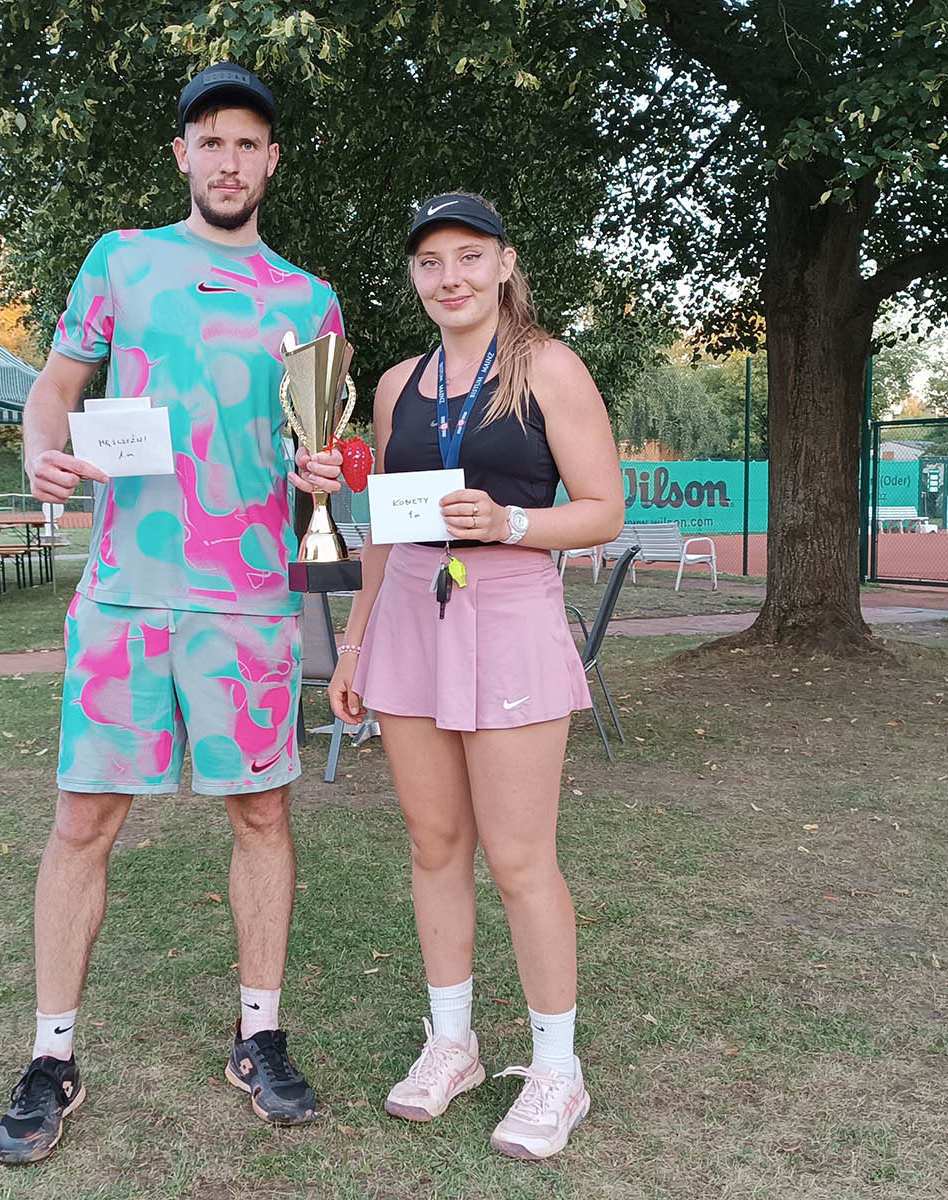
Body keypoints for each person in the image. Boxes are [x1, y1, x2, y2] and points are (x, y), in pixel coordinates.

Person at [0, 62, 346, 1165]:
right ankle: (51, 1055)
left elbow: (316, 441)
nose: (228, 160)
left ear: (271, 162)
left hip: (249, 600)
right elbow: (55, 386)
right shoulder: (122, 260)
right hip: (125, 595)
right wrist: (41, 451)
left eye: (248, 143)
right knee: (82, 823)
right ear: (183, 155)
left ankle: (260, 1037)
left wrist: (322, 472)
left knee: (262, 817)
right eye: (211, 141)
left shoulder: (309, 300)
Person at [325, 192, 624, 1160]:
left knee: (519, 857)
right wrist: (355, 643)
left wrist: (512, 522)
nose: (448, 277)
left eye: (467, 256)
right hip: (414, 616)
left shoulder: (548, 367)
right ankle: (451, 1045)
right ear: (414, 277)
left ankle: (557, 1071)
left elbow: (604, 508)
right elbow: (383, 527)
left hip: (509, 611)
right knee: (434, 843)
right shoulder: (395, 385)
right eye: (429, 262)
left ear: (503, 263)